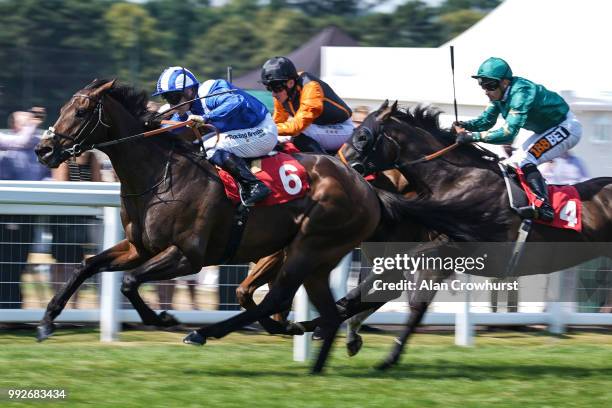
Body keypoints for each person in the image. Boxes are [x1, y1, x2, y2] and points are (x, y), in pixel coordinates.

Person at [453, 57, 583, 222]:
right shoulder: (499, 95)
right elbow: (486, 122)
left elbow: (508, 134)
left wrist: (472, 137)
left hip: (567, 127)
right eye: (482, 85)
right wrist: (464, 125)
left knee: (524, 160)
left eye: (489, 85)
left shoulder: (521, 93)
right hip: (547, 129)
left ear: (505, 82)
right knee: (511, 164)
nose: (486, 90)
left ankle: (545, 208)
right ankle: (524, 202)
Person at [153, 66, 277, 206]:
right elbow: (171, 128)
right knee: (196, 148)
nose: (171, 104)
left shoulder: (211, 90)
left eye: (173, 97)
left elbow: (235, 101)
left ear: (189, 90)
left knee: (209, 147)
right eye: (166, 97)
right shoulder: (187, 106)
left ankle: (254, 185)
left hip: (262, 131)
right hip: (242, 134)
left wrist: (206, 118)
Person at [260, 56, 354, 154]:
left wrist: (266, 129)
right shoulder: (283, 92)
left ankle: (327, 166)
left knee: (299, 133)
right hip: (318, 127)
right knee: (276, 136)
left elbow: (296, 127)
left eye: (276, 88)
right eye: (270, 88)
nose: (273, 94)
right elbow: (277, 120)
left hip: (342, 128)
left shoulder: (311, 87)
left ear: (290, 83)